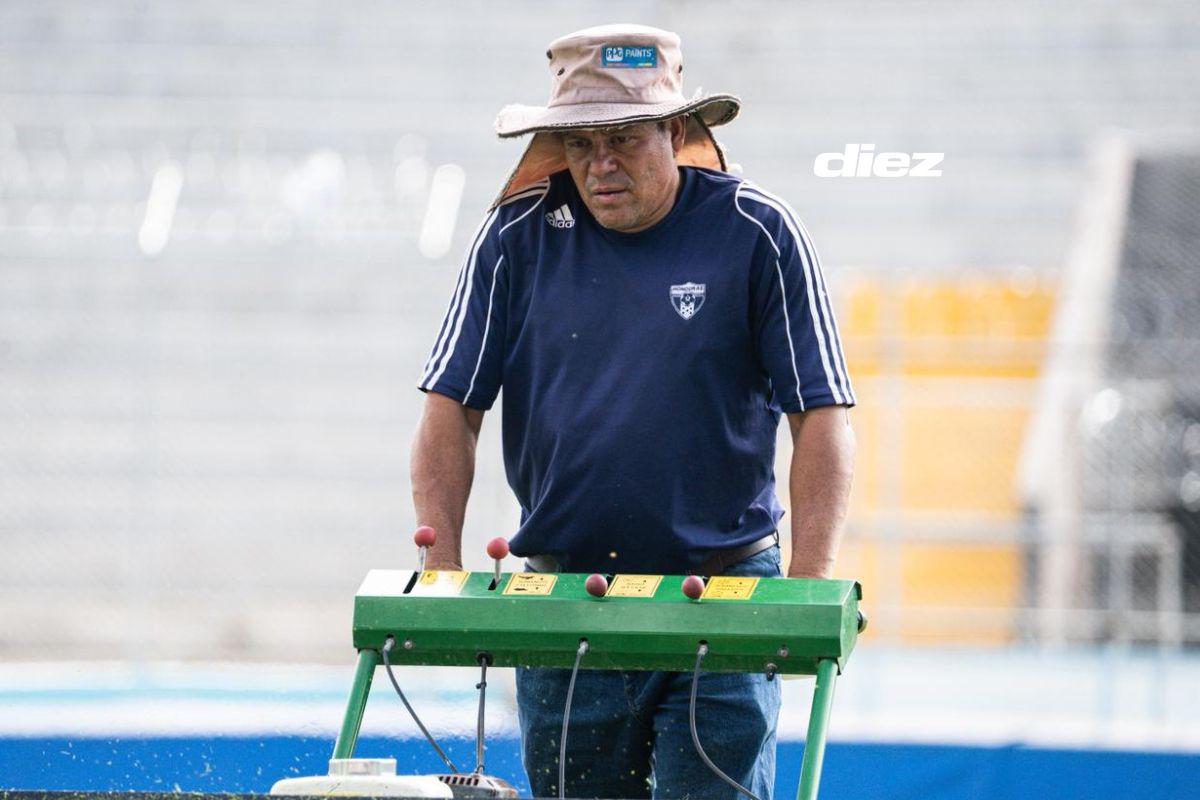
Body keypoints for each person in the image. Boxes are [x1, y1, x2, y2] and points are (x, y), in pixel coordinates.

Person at [411, 24, 856, 800]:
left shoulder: (759, 233)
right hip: (559, 596)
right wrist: (442, 567)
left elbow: (820, 414)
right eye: (579, 144)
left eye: (621, 139)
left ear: (676, 130)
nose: (600, 164)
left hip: (725, 594)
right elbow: (452, 404)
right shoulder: (515, 237)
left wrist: (806, 587)